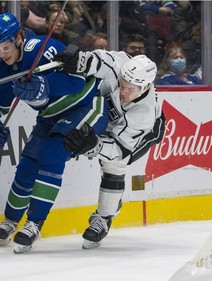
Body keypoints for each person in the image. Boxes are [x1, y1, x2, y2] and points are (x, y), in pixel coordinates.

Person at [0, 13, 108, 253]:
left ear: (19, 37)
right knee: (29, 162)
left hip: (85, 105)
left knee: (52, 152)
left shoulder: (44, 47)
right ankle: (10, 220)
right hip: (50, 117)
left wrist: (45, 86)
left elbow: (77, 80)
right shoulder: (1, 68)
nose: (2, 54)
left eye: (6, 46)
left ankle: (34, 223)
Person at [54, 45, 165, 249]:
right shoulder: (122, 64)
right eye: (123, 84)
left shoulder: (145, 113)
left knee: (114, 164)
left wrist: (93, 145)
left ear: (146, 87)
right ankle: (113, 204)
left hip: (143, 134)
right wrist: (81, 60)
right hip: (110, 118)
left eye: (130, 89)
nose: (123, 91)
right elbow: (100, 61)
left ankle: (104, 217)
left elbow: (118, 149)